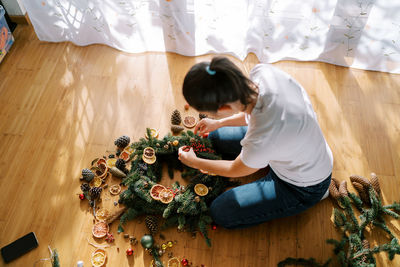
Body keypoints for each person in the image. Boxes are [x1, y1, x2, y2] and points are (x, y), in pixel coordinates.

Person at [178, 57, 333, 229]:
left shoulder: (263, 135)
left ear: (222, 108)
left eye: (210, 112)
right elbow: (251, 111)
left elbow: (235, 169)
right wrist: (219, 123)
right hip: (295, 145)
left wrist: (194, 161)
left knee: (221, 211)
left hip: (303, 186)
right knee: (217, 136)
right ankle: (268, 159)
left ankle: (316, 196)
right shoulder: (262, 73)